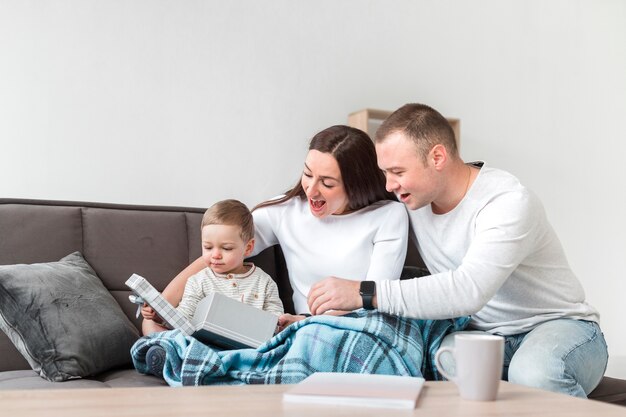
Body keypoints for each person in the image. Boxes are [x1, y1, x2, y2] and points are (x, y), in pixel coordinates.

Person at [307, 103, 608, 398]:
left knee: (533, 374)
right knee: (436, 359)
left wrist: (364, 293)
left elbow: (468, 290)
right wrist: (317, 320)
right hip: (486, 336)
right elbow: (353, 213)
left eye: (397, 171)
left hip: (560, 327)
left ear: (437, 156)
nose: (388, 185)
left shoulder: (507, 203)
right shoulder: (412, 201)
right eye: (385, 172)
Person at [142, 125, 409, 335]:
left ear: (356, 184)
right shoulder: (285, 211)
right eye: (307, 174)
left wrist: (304, 323)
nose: (311, 190)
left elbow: (378, 297)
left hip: (355, 326)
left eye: (327, 183)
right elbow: (219, 250)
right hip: (302, 330)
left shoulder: (388, 216)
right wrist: (161, 306)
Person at [142, 199, 284, 376]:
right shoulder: (198, 280)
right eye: (208, 247)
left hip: (250, 349)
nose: (215, 255)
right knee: (180, 342)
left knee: (280, 347)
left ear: (248, 248)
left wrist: (275, 325)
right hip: (205, 347)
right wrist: (160, 317)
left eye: (226, 248)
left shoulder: (264, 282)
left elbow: (276, 318)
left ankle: (215, 368)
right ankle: (169, 358)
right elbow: (184, 316)